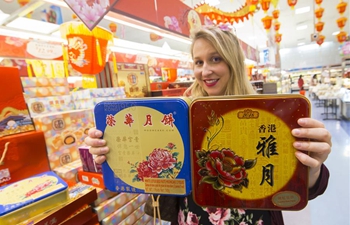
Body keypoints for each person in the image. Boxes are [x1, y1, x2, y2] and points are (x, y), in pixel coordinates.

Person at [85, 25, 331, 225]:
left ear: (233, 62)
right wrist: (111, 148)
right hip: (192, 217)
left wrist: (313, 166)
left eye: (215, 59)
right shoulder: (180, 113)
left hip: (253, 218)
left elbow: (303, 185)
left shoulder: (268, 113)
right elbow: (152, 164)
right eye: (198, 62)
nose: (205, 70)